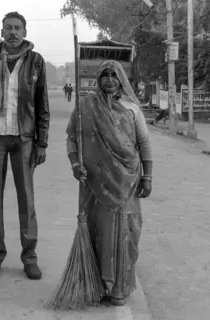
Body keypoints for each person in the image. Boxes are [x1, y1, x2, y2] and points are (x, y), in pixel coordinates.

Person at [65, 60, 153, 306]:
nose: (109, 80)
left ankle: (119, 289)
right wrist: (75, 165)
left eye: (114, 76)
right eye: (105, 75)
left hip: (128, 181)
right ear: (98, 78)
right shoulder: (85, 106)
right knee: (97, 231)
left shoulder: (131, 108)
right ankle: (96, 286)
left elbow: (144, 143)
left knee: (127, 233)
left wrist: (148, 175)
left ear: (121, 79)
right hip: (95, 183)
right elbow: (72, 139)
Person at [0, 11, 50, 280]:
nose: (13, 32)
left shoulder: (36, 62)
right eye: (8, 28)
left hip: (24, 139)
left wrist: (42, 142)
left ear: (25, 32)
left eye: (17, 28)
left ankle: (29, 257)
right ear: (2, 31)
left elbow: (42, 105)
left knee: (26, 200)